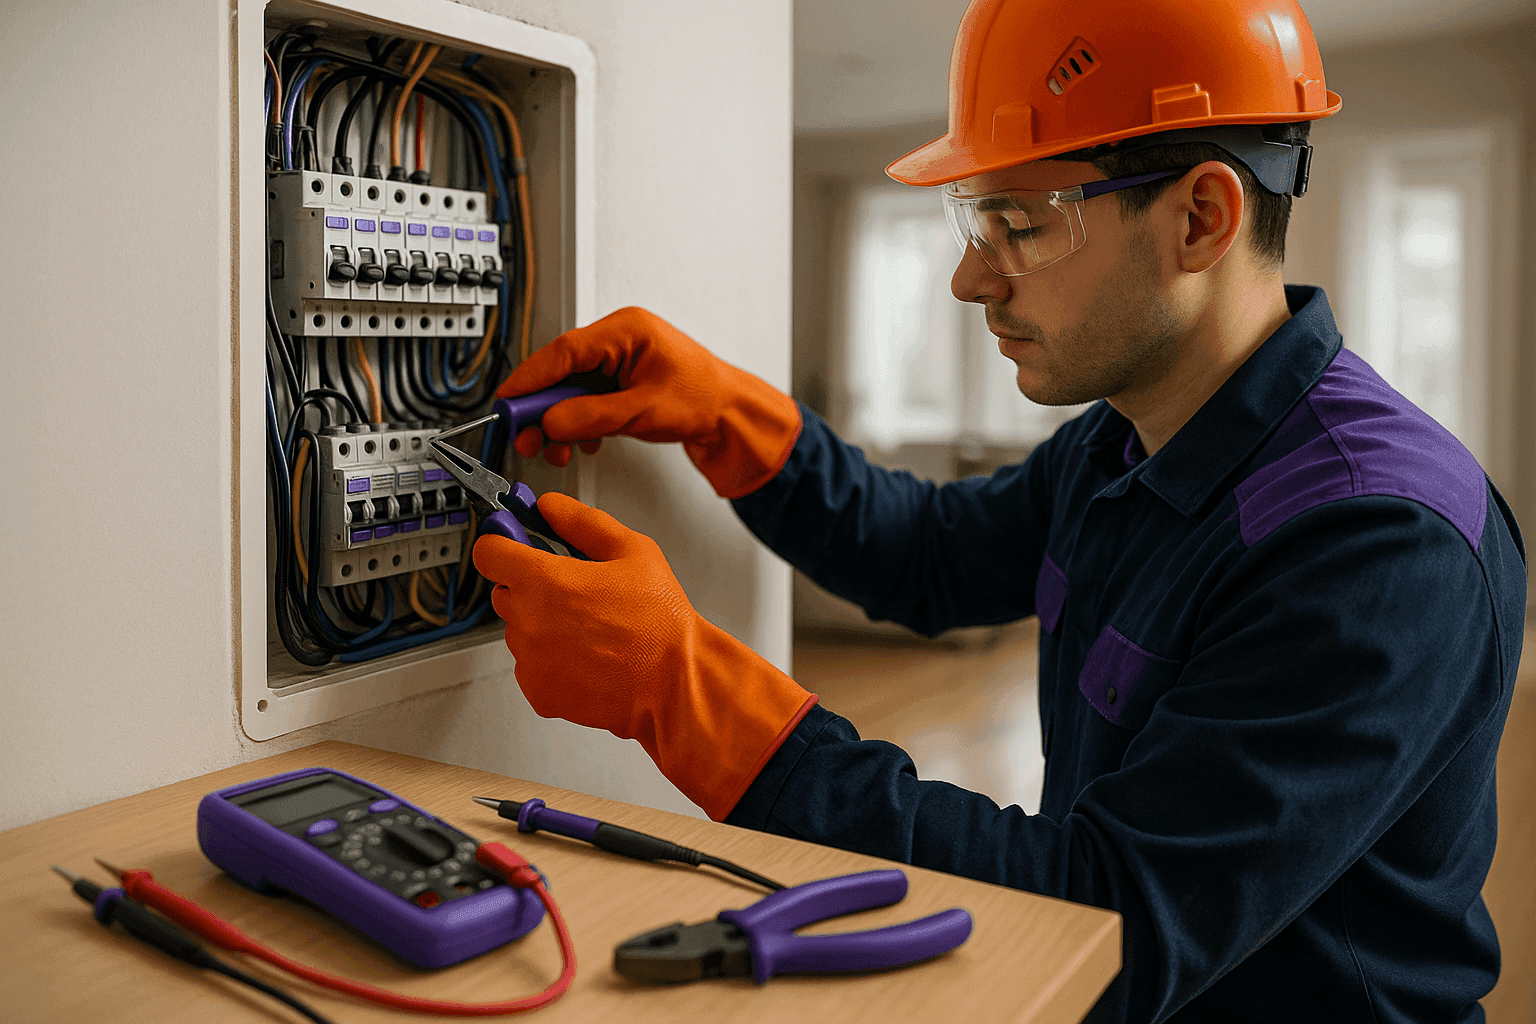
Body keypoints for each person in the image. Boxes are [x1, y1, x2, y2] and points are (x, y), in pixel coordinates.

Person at [470, 0, 1526, 1019]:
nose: (970, 279)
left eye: (1019, 223)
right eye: (977, 218)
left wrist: (679, 689)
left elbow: (1106, 922)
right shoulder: (1128, 435)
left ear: (1201, 217)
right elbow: (929, 555)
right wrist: (731, 418)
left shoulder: (1379, 543)